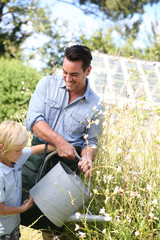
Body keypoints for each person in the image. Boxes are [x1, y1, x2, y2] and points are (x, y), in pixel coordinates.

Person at [22, 45, 104, 238]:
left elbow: (90, 142)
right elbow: (33, 121)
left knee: (51, 223)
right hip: (37, 155)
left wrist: (88, 159)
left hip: (65, 167)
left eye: (74, 74)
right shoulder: (46, 84)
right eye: (65, 72)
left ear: (88, 70)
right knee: (17, 208)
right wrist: (59, 141)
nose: (67, 78)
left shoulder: (96, 105)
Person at [0, 120, 56, 239]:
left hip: (13, 226)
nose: (21, 153)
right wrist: (22, 208)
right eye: (18, 150)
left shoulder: (14, 158)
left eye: (22, 149)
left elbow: (36, 149)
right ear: (1, 148)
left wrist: (59, 146)